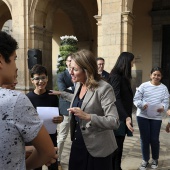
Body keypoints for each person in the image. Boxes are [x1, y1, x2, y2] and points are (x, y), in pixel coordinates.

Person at [50, 49, 120, 170]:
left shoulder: (104, 88)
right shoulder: (79, 84)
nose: (71, 72)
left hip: (98, 148)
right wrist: (61, 93)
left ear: (87, 70)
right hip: (79, 143)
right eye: (70, 68)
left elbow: (114, 121)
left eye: (75, 69)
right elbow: (82, 100)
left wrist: (88, 117)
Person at [0, 31, 57, 169]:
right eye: (14, 59)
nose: (16, 66)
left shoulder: (51, 96)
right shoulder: (15, 100)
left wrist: (24, 151)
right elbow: (48, 152)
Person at [26, 64, 63, 170]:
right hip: (34, 139)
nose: (41, 81)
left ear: (47, 78)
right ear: (32, 80)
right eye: (37, 78)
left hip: (50, 137)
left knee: (53, 166)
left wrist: (61, 118)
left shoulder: (52, 96)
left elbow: (59, 115)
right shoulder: (27, 98)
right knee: (35, 167)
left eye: (43, 78)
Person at [132, 67, 169, 170]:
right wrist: (142, 104)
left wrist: (163, 107)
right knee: (144, 139)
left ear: (161, 77)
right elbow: (136, 99)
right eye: (154, 74)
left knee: (154, 139)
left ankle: (155, 159)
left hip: (156, 117)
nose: (156, 77)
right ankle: (145, 160)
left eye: (158, 75)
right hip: (142, 116)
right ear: (150, 75)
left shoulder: (164, 88)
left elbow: (166, 102)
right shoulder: (143, 86)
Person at [108, 52, 135, 170]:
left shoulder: (123, 77)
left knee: (119, 146)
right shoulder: (115, 76)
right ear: (126, 62)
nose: (133, 64)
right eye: (132, 61)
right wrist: (127, 117)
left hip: (123, 117)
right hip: (118, 117)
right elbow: (116, 99)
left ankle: (117, 167)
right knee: (115, 148)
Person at [57, 54, 75, 169]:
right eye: (69, 61)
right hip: (65, 109)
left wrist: (70, 89)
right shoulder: (61, 75)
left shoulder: (80, 73)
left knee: (76, 136)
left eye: (72, 61)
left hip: (78, 109)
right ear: (66, 62)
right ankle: (57, 159)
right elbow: (62, 91)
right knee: (62, 136)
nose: (70, 63)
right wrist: (75, 89)